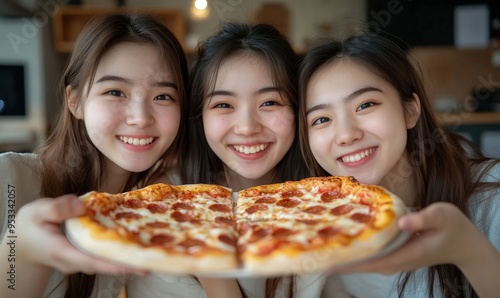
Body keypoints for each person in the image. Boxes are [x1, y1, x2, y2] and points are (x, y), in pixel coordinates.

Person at [0, 13, 240, 298]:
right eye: (115, 92)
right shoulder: (8, 179)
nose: (140, 118)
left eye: (162, 96)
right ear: (74, 101)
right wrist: (22, 253)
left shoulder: (150, 212)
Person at [297, 34, 500, 297]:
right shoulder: (316, 235)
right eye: (321, 119)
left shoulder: (492, 195)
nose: (346, 134)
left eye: (365, 105)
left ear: (410, 111)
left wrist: (469, 250)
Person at [181, 22, 327, 298]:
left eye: (270, 102)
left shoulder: (333, 206)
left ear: (298, 110)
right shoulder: (163, 205)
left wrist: (207, 258)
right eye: (223, 105)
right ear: (199, 115)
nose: (247, 127)